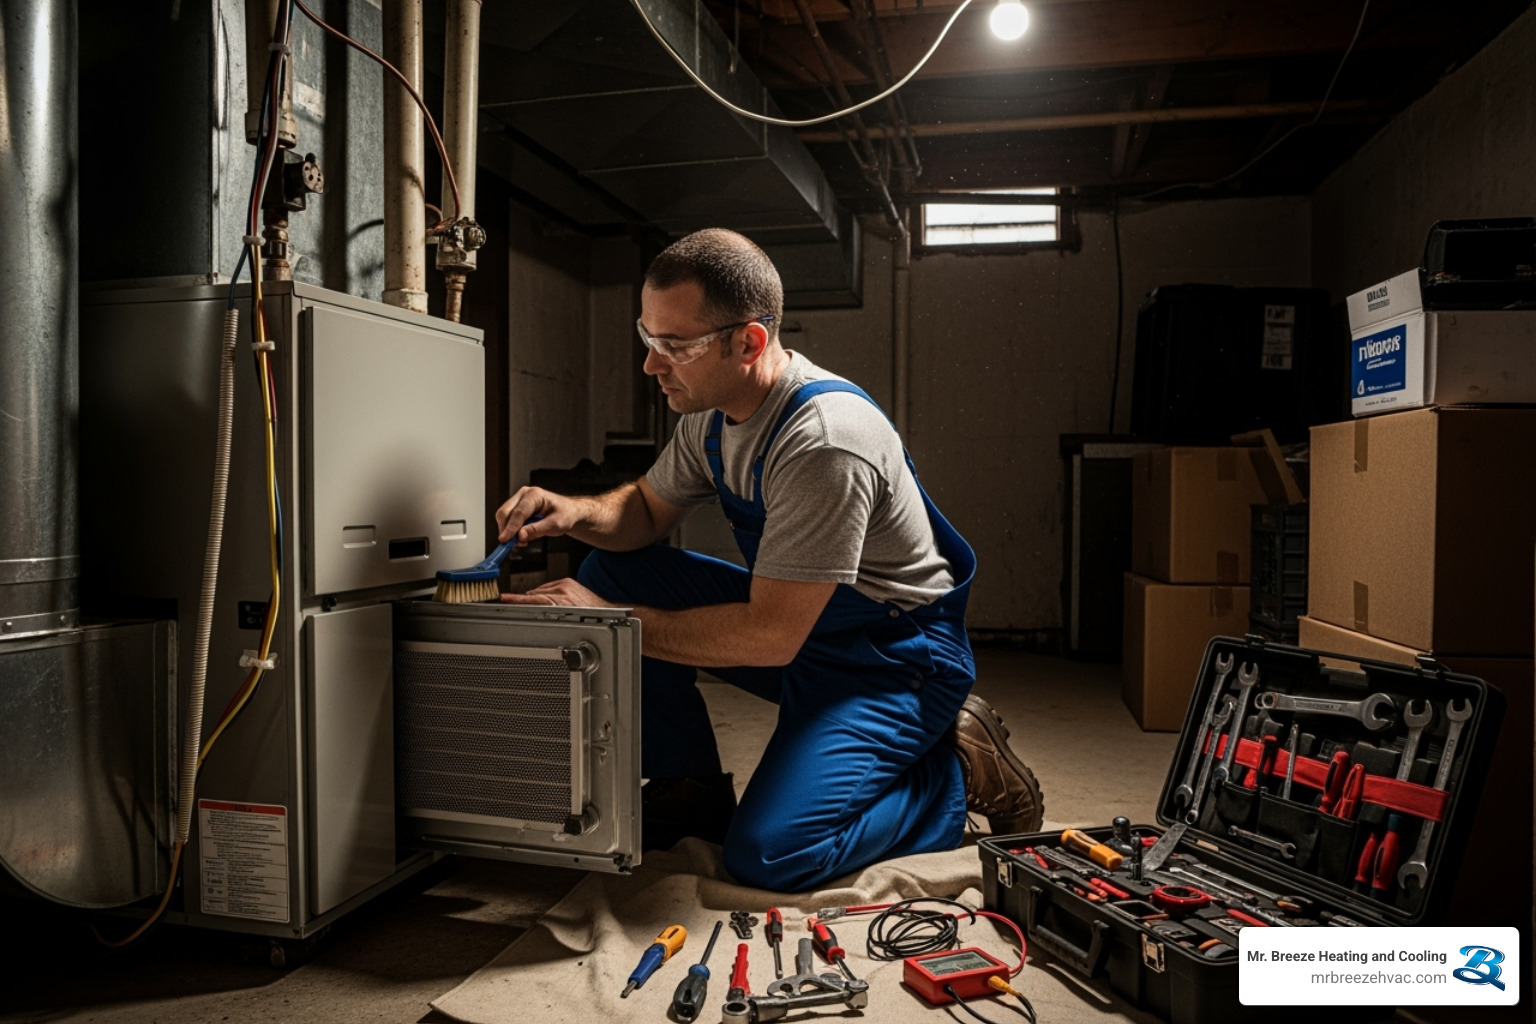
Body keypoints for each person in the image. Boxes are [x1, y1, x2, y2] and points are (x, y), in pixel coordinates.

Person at [497, 228, 1042, 892]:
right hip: (808, 632)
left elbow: (771, 636)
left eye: (675, 346)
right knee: (611, 568)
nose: (651, 365)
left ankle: (951, 774)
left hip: (892, 661)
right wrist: (577, 511)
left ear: (748, 342)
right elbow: (644, 511)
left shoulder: (824, 443)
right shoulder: (713, 412)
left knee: (770, 855)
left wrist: (608, 621)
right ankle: (689, 787)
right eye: (649, 339)